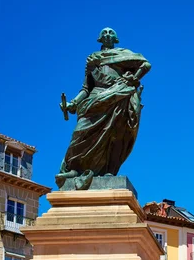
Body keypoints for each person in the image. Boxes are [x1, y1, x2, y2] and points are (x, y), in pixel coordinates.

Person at [56, 27, 151, 190]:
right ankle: (73, 169)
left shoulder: (123, 54)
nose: (107, 34)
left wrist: (132, 80)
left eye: (110, 32)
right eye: (104, 32)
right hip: (95, 97)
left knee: (115, 135)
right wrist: (73, 103)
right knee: (79, 133)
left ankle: (109, 172)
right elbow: (86, 88)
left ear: (116, 38)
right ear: (99, 38)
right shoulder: (92, 59)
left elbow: (146, 64)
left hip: (118, 95)